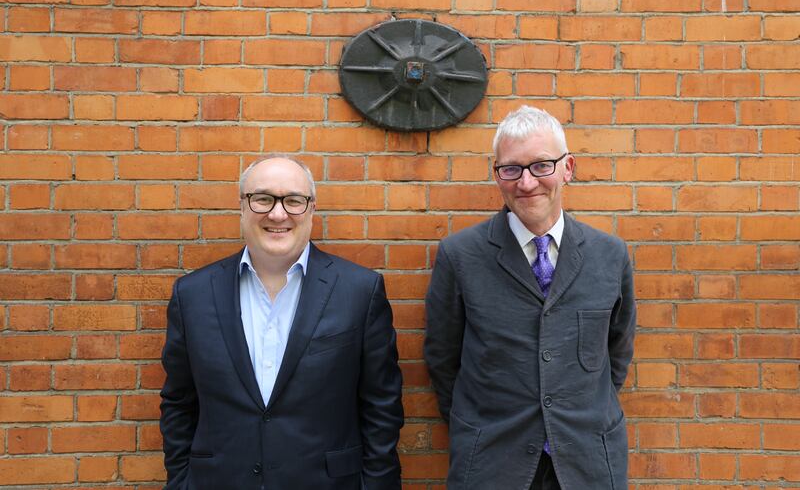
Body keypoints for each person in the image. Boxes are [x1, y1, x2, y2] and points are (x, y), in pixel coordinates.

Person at [160, 155, 404, 490]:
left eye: (293, 200)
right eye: (262, 199)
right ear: (243, 207)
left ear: (312, 209)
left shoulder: (359, 291)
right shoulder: (193, 294)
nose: (278, 214)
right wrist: (181, 482)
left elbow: (382, 407)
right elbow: (178, 402)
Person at [424, 106, 636, 490]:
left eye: (541, 166)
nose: (526, 183)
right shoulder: (461, 256)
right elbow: (443, 357)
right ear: (497, 175)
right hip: (492, 461)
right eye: (511, 169)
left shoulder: (610, 255)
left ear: (568, 168)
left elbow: (616, 351)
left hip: (585, 461)